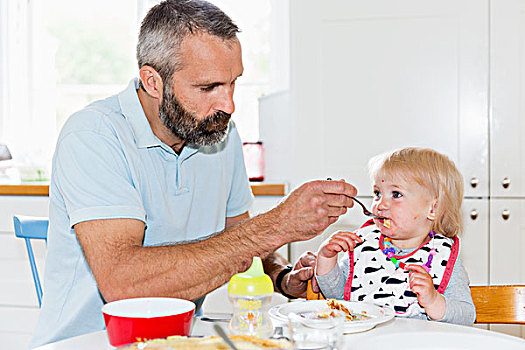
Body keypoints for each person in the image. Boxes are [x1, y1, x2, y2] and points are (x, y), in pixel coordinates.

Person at [30, 1, 356, 347]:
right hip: (88, 343)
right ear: (152, 81)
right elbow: (124, 285)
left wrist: (282, 276)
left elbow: (237, 239)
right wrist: (278, 224)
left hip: (177, 339)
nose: (228, 104)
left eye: (233, 83)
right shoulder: (94, 136)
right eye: (208, 87)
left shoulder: (219, 135)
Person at [315, 147, 476, 325]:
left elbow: (467, 316)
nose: (381, 204)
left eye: (396, 194)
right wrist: (326, 258)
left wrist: (433, 301)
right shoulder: (365, 244)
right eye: (377, 193)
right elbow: (337, 295)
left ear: (433, 209)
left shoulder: (441, 256)